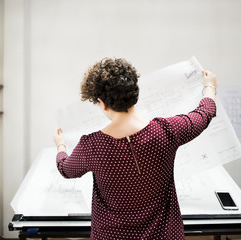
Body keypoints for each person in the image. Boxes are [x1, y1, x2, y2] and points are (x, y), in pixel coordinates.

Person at [53, 58, 217, 240]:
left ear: (102, 103)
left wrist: (61, 145)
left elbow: (66, 170)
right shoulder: (167, 131)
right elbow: (204, 114)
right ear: (134, 93)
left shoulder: (91, 146)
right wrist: (209, 86)